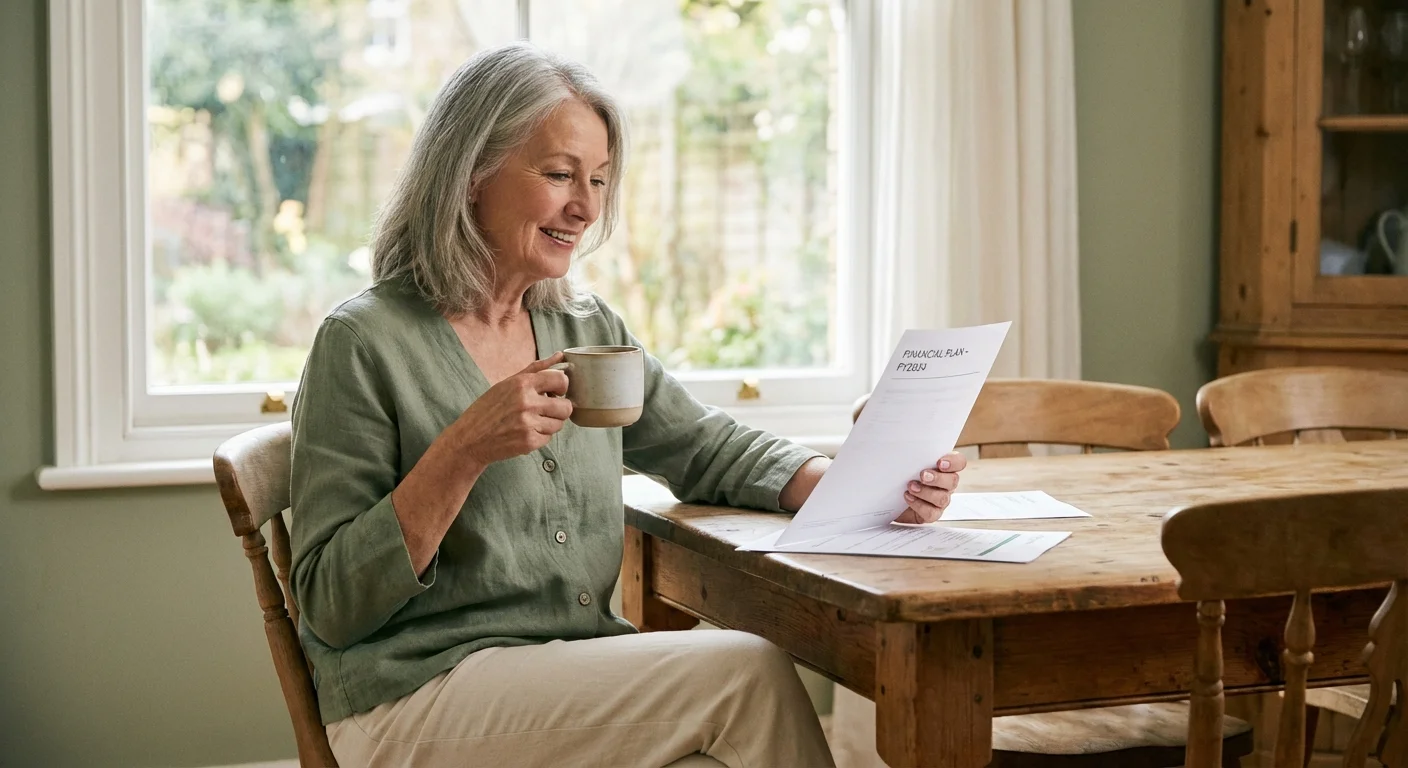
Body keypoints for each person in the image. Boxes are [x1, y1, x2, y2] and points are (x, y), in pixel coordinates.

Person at [289, 42, 966, 768]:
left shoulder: (584, 330)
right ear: (471, 173)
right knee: (746, 674)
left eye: (600, 180)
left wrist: (856, 485)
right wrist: (464, 449)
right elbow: (330, 603)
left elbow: (701, 446)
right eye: (559, 175)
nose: (585, 207)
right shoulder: (362, 342)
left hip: (566, 680)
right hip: (412, 697)